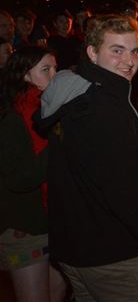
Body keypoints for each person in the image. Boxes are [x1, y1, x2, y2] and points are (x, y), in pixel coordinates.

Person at [34, 14, 138, 301]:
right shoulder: (100, 108)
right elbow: (122, 190)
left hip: (77, 250)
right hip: (114, 256)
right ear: (92, 53)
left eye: (134, 51)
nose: (129, 61)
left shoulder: (77, 93)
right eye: (117, 50)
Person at [0, 47, 67, 302]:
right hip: (24, 225)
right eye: (46, 70)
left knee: (57, 288)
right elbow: (19, 178)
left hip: (52, 219)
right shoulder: (11, 118)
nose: (55, 75)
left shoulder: (51, 108)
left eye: (55, 68)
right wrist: (57, 144)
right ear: (25, 76)